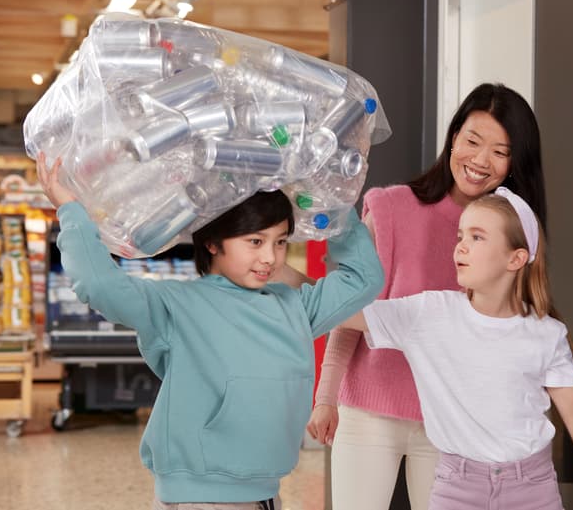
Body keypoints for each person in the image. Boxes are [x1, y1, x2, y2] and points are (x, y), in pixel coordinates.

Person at [35, 153, 384, 510]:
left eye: (280, 242)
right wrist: (72, 212)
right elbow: (99, 285)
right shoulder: (176, 305)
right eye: (255, 242)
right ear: (213, 242)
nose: (270, 258)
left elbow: (363, 280)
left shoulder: (294, 306)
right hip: (197, 499)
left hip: (266, 493)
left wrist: (337, 206)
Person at [281, 83, 548, 510]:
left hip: (453, 421)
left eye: (500, 151)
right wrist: (326, 396)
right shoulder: (390, 208)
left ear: (516, 162)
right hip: (369, 410)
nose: (480, 161)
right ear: (454, 138)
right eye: (472, 141)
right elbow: (353, 309)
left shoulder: (515, 236)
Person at [336, 188, 573, 510]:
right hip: (456, 490)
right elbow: (342, 310)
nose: (460, 245)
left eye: (477, 237)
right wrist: (279, 276)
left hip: (533, 489)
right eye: (460, 235)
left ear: (515, 258)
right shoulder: (429, 314)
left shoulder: (547, 334)